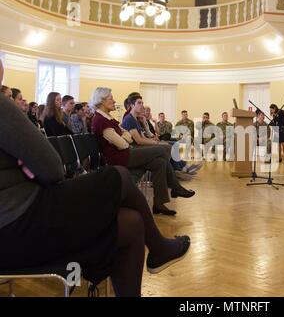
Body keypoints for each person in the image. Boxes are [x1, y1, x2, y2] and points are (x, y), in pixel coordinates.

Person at [0, 92, 191, 297]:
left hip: (14, 224)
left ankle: (159, 246)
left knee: (132, 222)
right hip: (17, 222)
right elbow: (53, 168)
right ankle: (159, 246)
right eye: (9, 95)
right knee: (119, 175)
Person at [91, 88, 195, 217]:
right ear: (101, 101)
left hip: (126, 153)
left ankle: (159, 204)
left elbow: (126, 136)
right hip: (120, 157)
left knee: (160, 162)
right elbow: (123, 143)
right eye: (111, 98)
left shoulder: (106, 118)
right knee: (163, 149)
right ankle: (175, 186)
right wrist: (125, 137)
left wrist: (126, 136)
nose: (114, 101)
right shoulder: (101, 120)